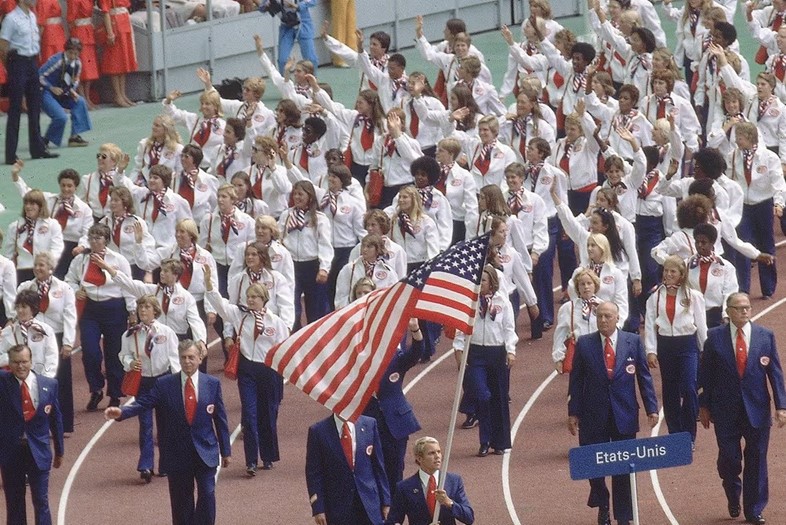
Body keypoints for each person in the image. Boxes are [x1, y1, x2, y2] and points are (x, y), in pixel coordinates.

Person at [105, 340, 231, 525]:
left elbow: (220, 419)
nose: (187, 361)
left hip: (205, 451)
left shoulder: (212, 384)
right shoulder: (164, 385)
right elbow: (144, 403)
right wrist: (122, 412)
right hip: (177, 454)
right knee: (181, 502)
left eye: (191, 357)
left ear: (200, 358)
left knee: (207, 493)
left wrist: (226, 451)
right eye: (183, 358)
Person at [568, 301, 658, 525]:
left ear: (618, 318)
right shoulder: (585, 344)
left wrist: (652, 408)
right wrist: (573, 412)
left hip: (624, 414)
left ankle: (624, 515)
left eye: (608, 316)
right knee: (593, 463)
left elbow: (644, 378)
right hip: (593, 415)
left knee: (623, 468)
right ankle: (602, 500)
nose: (603, 320)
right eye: (599, 316)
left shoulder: (633, 341)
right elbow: (576, 381)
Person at [699, 292, 786, 524]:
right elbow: (705, 375)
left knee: (757, 458)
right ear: (728, 311)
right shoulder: (714, 338)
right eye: (739, 308)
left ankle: (754, 508)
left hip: (757, 409)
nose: (745, 311)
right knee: (730, 459)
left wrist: (781, 405)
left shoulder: (765, 336)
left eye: (747, 307)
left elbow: (775, 373)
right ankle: (732, 491)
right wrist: (704, 405)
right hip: (725, 410)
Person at [205, 266, 288, 474]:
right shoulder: (239, 315)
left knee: (267, 414)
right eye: (249, 296)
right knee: (249, 415)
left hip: (268, 370)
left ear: (264, 299)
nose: (251, 300)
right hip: (247, 369)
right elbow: (220, 304)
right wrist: (209, 284)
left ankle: (267, 456)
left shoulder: (276, 322)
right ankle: (251, 460)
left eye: (255, 297)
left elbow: (284, 347)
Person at [65, 223, 136, 410]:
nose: (94, 241)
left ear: (106, 240)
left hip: (114, 308)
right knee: (90, 352)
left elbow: (128, 286)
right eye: (91, 238)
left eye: (98, 238)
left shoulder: (118, 260)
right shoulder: (80, 260)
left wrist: (132, 311)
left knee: (114, 353)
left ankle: (115, 393)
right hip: (90, 310)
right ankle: (96, 388)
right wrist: (75, 291)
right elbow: (69, 280)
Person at [454, 265, 517, 457]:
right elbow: (461, 329)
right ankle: (484, 440)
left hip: (497, 352)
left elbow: (508, 328)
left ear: (491, 282)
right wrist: (458, 349)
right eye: (478, 280)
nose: (479, 284)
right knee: (482, 395)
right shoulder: (469, 303)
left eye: (483, 280)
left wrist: (511, 350)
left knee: (498, 398)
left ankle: (499, 442)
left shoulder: (502, 302)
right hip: (475, 355)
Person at [117, 295, 180, 481]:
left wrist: (176, 381)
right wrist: (130, 363)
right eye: (140, 307)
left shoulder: (166, 332)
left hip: (163, 380)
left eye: (147, 307)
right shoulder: (130, 334)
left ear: (155, 310)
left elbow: (174, 357)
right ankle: (146, 466)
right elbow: (123, 355)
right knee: (145, 424)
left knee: (165, 423)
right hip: (143, 382)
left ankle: (166, 463)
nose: (143, 310)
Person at [0, 344, 64, 525]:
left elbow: (56, 419)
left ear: (31, 361)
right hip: (11, 453)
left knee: (41, 501)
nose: (20, 366)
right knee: (14, 502)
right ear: (9, 364)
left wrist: (60, 451)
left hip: (39, 452)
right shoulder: (3, 383)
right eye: (15, 362)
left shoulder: (49, 384)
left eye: (24, 362)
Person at [17, 253, 77, 434]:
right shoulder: (26, 287)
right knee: (33, 379)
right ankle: (36, 424)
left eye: (42, 265)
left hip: (57, 337)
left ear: (51, 268)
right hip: (32, 337)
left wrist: (68, 343)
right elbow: (17, 311)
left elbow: (69, 316)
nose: (37, 268)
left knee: (60, 382)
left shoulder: (64, 288)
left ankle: (64, 424)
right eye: (36, 265)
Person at [305, 412, 391, 525]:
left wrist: (386, 501)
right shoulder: (318, 431)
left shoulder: (370, 424)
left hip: (369, 503)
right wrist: (318, 508)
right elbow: (314, 474)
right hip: (336, 505)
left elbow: (379, 468)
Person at [1, 0, 58, 165]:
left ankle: (37, 148)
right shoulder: (11, 19)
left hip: (32, 62)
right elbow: (3, 46)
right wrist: (11, 66)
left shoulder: (32, 16)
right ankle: (11, 154)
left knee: (34, 106)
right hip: (17, 62)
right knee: (15, 109)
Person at [385, 436, 474, 525]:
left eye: (439, 452)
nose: (437, 456)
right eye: (431, 453)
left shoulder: (453, 481)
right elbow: (392, 521)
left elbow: (469, 517)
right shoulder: (404, 488)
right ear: (419, 458)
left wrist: (449, 502)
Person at [39, 37, 92, 149]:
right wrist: (51, 87)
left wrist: (72, 89)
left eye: (76, 53)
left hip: (63, 91)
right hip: (46, 92)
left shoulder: (78, 63)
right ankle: (46, 139)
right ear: (66, 51)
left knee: (80, 101)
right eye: (70, 53)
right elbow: (39, 76)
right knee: (61, 116)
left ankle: (74, 136)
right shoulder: (56, 61)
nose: (73, 56)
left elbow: (76, 79)